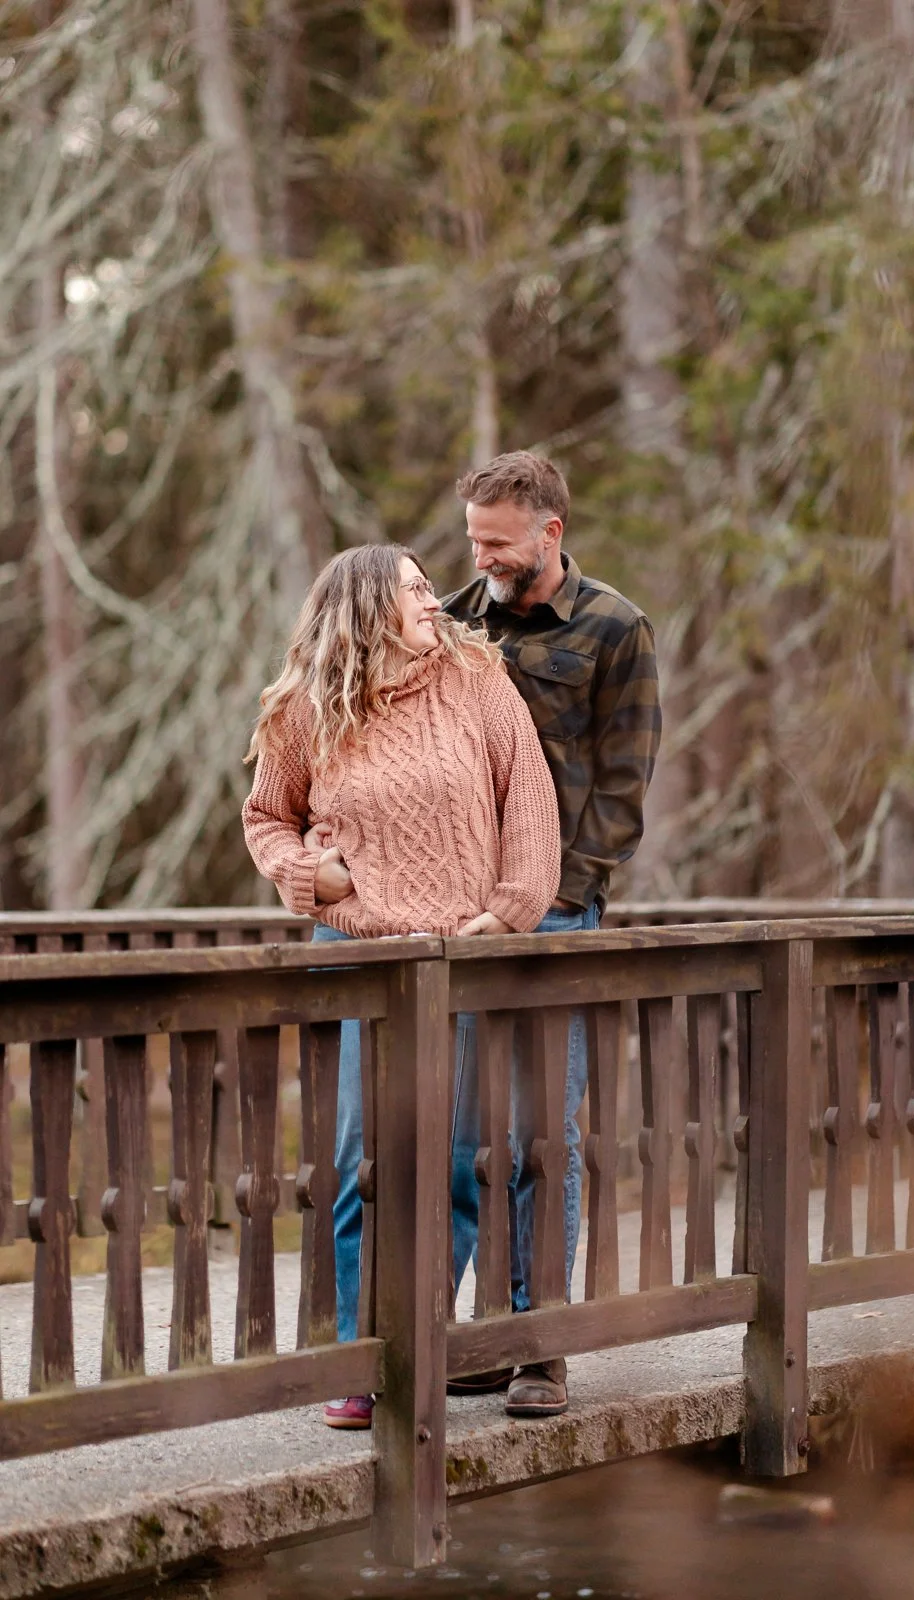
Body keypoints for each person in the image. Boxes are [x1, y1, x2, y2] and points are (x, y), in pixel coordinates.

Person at [242, 543, 560, 1430]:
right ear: (368, 605)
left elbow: (526, 796)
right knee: (362, 1164)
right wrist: (309, 876)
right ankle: (360, 1358)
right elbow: (267, 816)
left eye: (429, 586)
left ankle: (418, 1340)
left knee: (457, 1162)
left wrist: (512, 907)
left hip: (458, 957)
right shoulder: (309, 706)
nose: (434, 600)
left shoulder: (474, 676)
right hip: (365, 960)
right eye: (415, 589)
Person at [445, 450, 661, 1419]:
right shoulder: (451, 623)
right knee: (459, 1133)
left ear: (550, 532)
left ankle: (542, 1347)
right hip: (455, 916)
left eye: (497, 541)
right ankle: (480, 1338)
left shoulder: (615, 628)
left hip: (557, 918)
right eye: (472, 538)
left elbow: (621, 794)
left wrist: (549, 900)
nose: (481, 556)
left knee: (543, 1133)